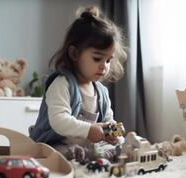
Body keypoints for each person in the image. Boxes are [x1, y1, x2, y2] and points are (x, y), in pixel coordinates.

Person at [30, 6, 127, 162]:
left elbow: (109, 120)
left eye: (109, 60)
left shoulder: (101, 92)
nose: (104, 66)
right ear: (74, 54)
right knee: (58, 154)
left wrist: (114, 134)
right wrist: (88, 130)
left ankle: (93, 156)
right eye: (97, 58)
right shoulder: (62, 84)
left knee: (119, 148)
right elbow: (59, 121)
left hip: (86, 146)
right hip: (56, 143)